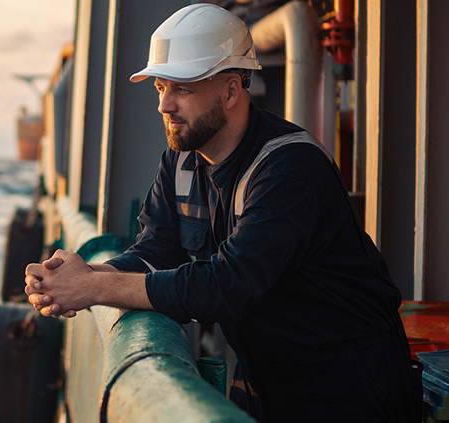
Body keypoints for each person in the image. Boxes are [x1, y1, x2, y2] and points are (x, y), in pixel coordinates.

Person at [24, 4, 421, 422]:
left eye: (183, 89)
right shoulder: (181, 160)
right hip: (262, 380)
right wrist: (79, 276)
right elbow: (156, 253)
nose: (165, 105)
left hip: (349, 388)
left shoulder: (290, 169)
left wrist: (93, 290)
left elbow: (227, 286)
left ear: (231, 91)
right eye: (161, 87)